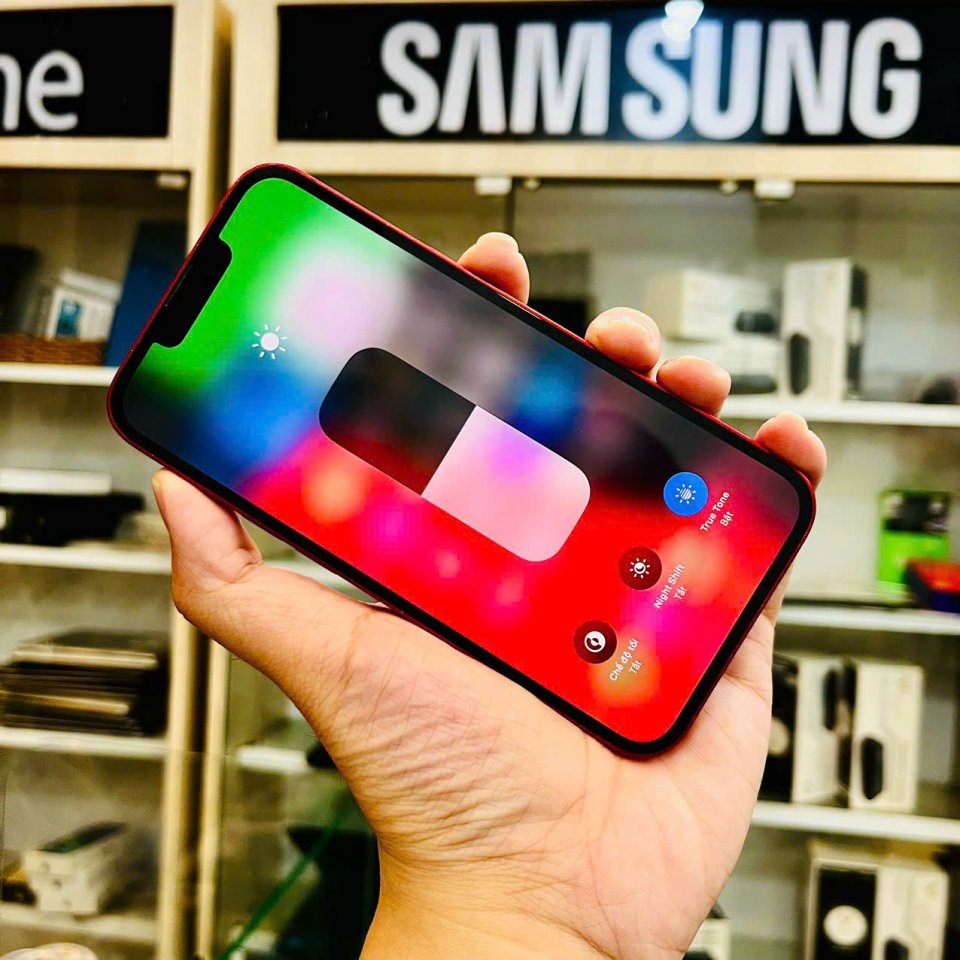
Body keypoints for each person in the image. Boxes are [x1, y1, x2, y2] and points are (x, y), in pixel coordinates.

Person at [154, 233, 826, 960]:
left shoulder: (606, 482)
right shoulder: (403, 514)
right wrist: (523, 904)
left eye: (441, 333)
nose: (447, 370)